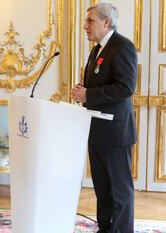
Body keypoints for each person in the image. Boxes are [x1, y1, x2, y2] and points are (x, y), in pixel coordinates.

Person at [71, 3, 137, 233]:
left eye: (90, 21)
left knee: (119, 190)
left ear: (106, 22)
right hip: (96, 129)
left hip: (115, 132)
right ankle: (106, 229)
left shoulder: (123, 46)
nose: (85, 26)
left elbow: (126, 87)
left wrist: (88, 94)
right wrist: (83, 89)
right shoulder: (96, 49)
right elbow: (99, 83)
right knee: (102, 189)